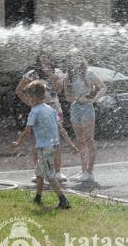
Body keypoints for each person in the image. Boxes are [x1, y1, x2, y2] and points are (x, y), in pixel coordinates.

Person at [12, 80, 77, 209]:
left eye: (29, 97)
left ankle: (63, 200)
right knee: (39, 172)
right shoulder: (51, 110)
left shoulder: (34, 111)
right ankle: (38, 197)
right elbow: (61, 129)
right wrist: (71, 145)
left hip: (45, 148)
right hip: (54, 146)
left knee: (50, 175)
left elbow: (27, 130)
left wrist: (19, 142)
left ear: (34, 97)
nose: (28, 100)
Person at [15, 54, 68, 182]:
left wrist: (50, 74)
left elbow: (59, 89)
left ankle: (57, 171)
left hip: (54, 109)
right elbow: (19, 90)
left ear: (51, 60)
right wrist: (31, 103)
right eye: (42, 59)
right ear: (38, 61)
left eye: (47, 58)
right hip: (38, 110)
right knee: (37, 142)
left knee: (56, 141)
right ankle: (38, 172)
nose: (45, 61)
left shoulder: (57, 72)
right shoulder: (32, 74)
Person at [65, 53, 105, 183]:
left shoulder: (88, 73)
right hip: (75, 108)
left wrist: (93, 99)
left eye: (76, 57)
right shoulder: (68, 76)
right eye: (71, 58)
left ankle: (90, 171)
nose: (74, 60)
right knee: (80, 140)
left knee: (89, 139)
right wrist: (77, 98)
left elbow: (103, 88)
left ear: (81, 59)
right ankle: (83, 171)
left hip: (87, 108)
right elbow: (67, 97)